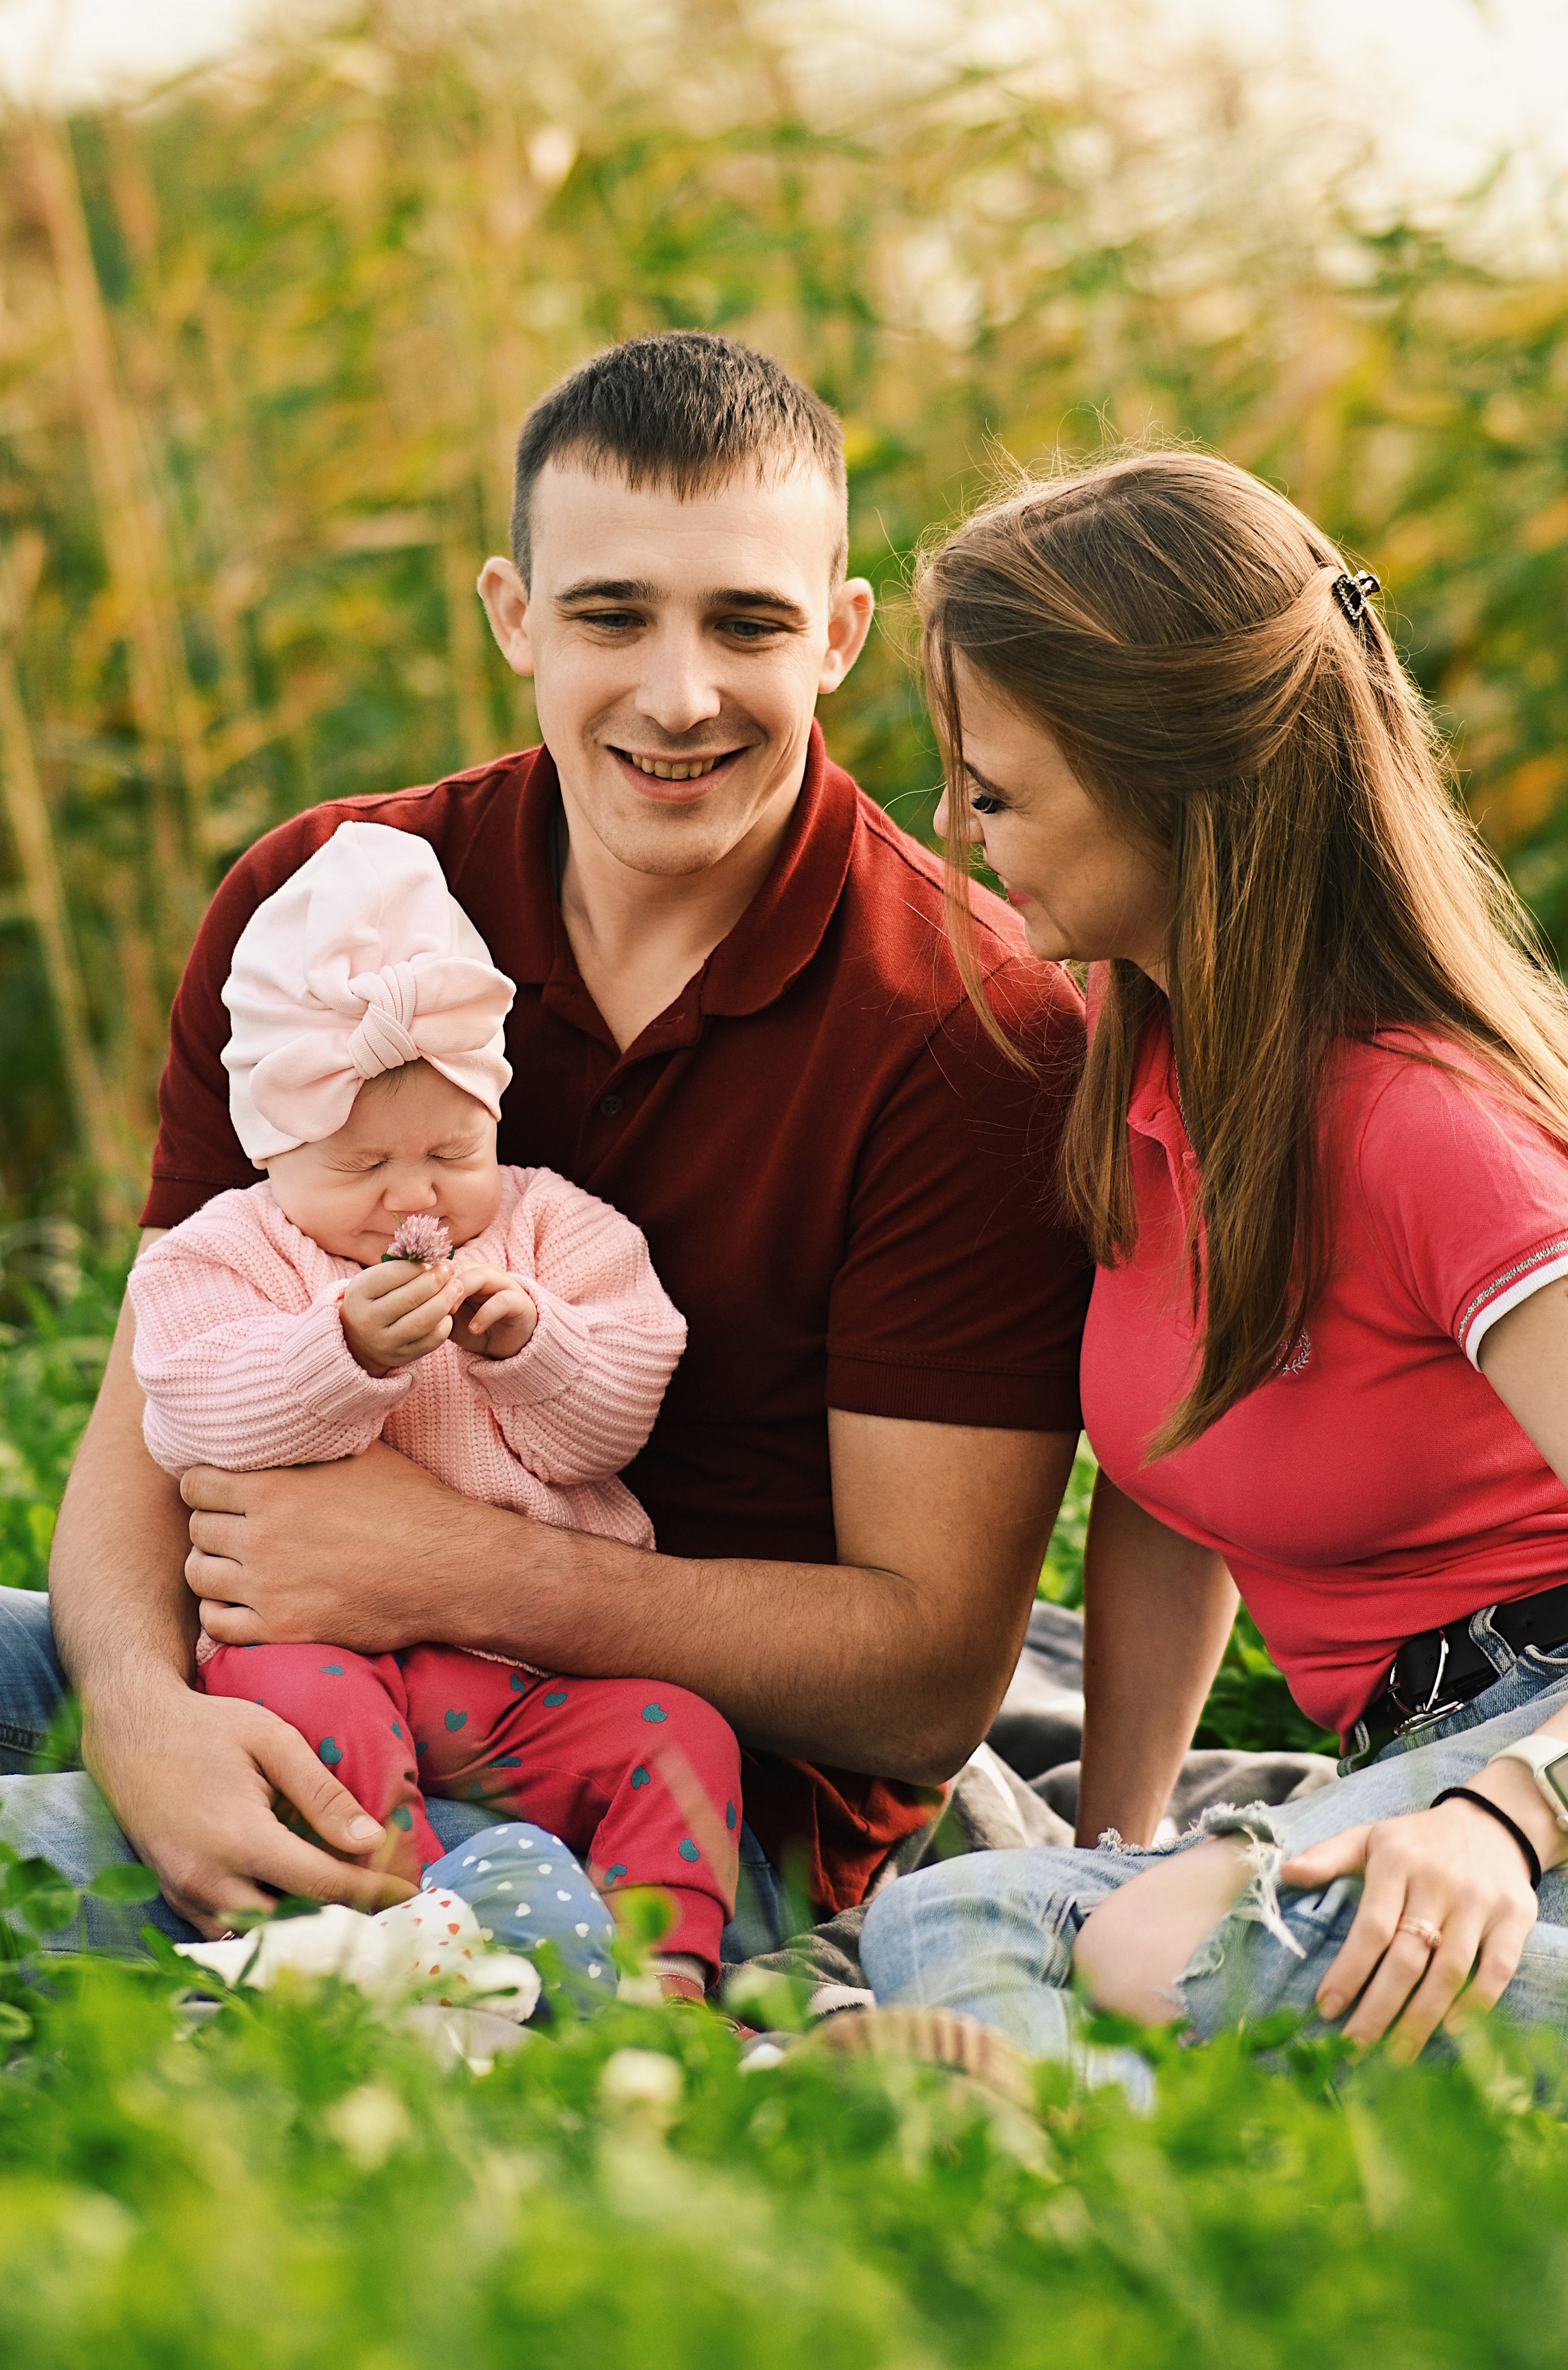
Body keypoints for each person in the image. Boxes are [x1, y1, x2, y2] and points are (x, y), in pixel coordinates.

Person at [0, 333, 1088, 1952]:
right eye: (608, 614)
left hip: (666, 1799)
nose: (675, 694)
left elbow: (925, 1685)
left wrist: (453, 1572)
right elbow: (149, 1407)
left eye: (747, 623)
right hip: (255, 1663)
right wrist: (146, 1715)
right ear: (512, 612)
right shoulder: (329, 900)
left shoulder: (969, 1031)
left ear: (841, 635)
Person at [862, 448, 1568, 2080]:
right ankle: (1076, 2167)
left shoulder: (1422, 1125)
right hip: (1424, 1758)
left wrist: (1501, 1816)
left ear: (1164, 783)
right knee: (960, 1916)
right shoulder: (1150, 1091)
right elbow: (1171, 1488)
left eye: (992, 789)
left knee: (1168, 1941)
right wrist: (1122, 1832)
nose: (953, 828)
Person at [130, 817, 738, 2000]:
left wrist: (531, 1345)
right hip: (314, 1655)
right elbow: (194, 1415)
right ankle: (396, 1924)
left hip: (520, 1680)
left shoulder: (552, 1228)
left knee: (683, 1735)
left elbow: (618, 1416)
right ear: (272, 1148)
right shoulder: (227, 1251)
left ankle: (668, 1981)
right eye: (362, 1170)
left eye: (452, 1152)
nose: (418, 1196)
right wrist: (338, 1350)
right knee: (308, 1712)